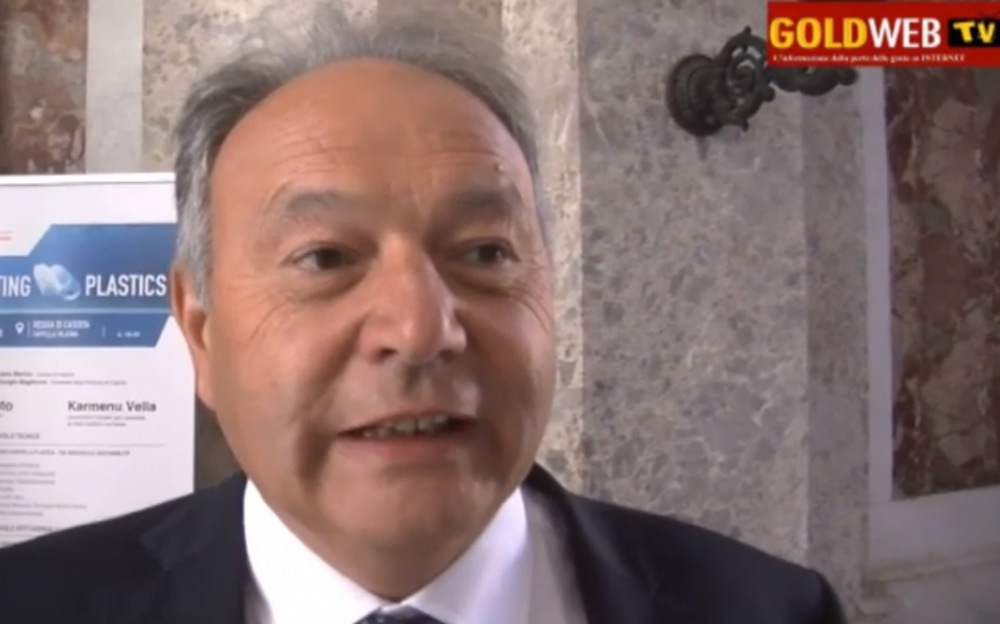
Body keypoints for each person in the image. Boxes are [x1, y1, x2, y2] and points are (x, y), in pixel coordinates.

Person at [0, 4, 847, 623]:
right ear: (201, 330)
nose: (420, 329)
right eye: (326, 259)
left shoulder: (771, 610)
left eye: (485, 252)